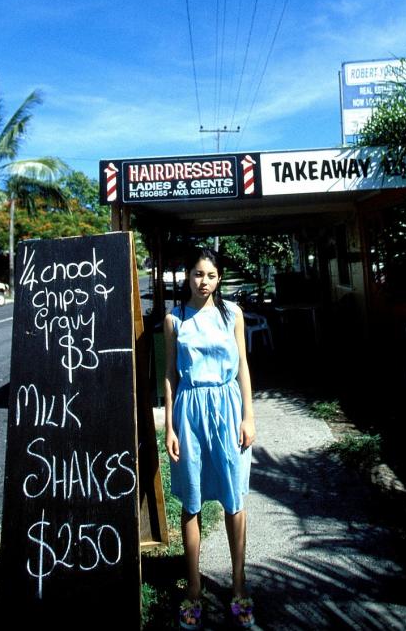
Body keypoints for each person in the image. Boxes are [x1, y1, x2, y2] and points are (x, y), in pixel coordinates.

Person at [164, 246, 256, 630]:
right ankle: (194, 590)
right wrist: (169, 425)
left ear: (219, 279)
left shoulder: (232, 314)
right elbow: (169, 374)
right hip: (189, 411)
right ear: (187, 275)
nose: (204, 282)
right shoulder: (175, 319)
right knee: (192, 501)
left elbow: (243, 367)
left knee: (234, 499)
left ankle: (238, 586)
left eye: (211, 275)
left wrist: (249, 416)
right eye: (198, 274)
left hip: (228, 408)